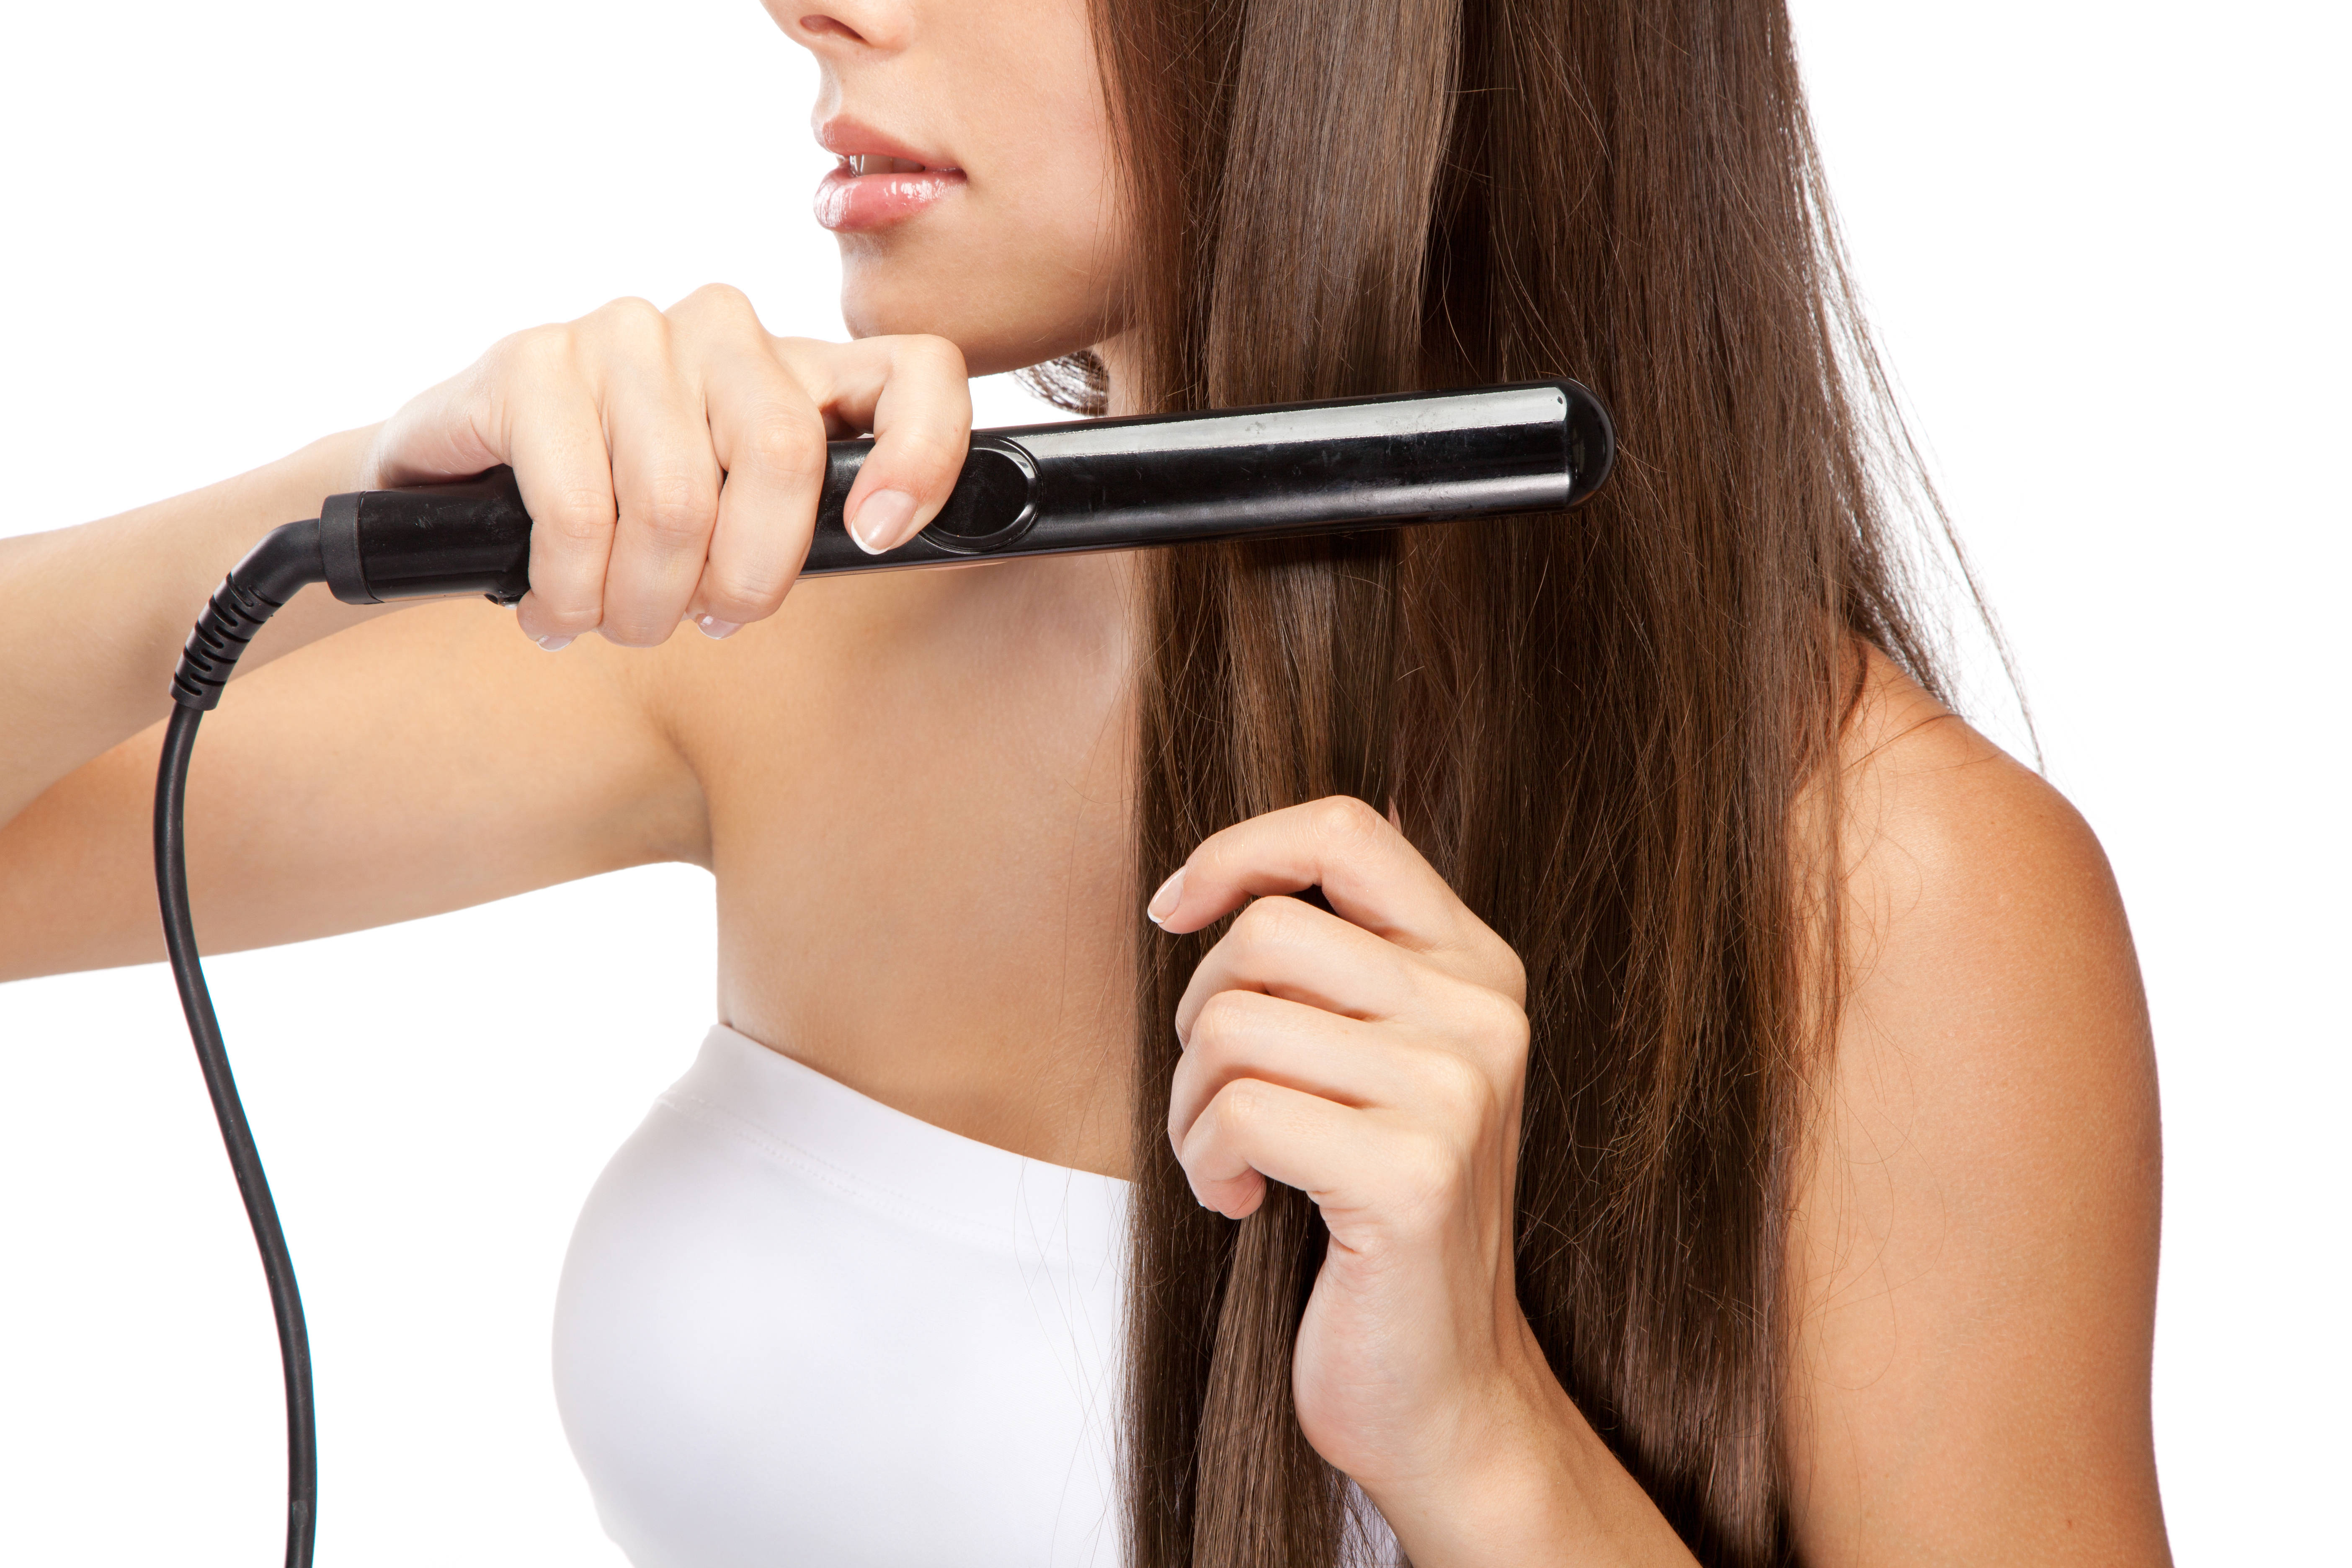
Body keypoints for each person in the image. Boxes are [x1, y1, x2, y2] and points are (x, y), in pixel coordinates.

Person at [0, 0, 2171, 1563]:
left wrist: (1490, 1449)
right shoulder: (806, 612)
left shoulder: (1890, 895)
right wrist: (335, 508)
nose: (810, 9)